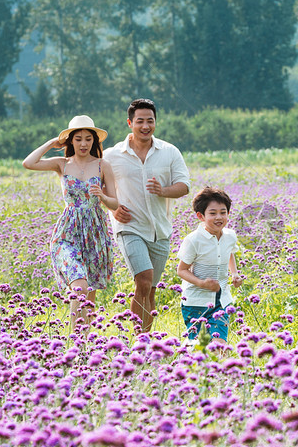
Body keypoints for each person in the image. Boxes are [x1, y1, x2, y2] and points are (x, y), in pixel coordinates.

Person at [104, 98, 191, 333]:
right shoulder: (112, 156)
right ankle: (136, 338)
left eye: (150, 121)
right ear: (129, 123)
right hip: (128, 227)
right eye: (140, 121)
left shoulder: (169, 152)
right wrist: (112, 209)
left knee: (150, 289)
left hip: (160, 229)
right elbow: (98, 188)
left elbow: (184, 186)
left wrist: (163, 190)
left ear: (155, 123)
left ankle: (145, 340)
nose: (145, 126)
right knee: (143, 279)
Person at [22, 115, 118, 327]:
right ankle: (73, 341)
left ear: (94, 141)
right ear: (70, 141)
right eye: (78, 139)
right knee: (80, 287)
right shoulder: (61, 164)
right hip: (67, 233)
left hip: (95, 233)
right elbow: (28, 163)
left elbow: (115, 204)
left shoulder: (103, 166)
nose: (83, 144)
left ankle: (84, 345)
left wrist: (101, 196)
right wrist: (51, 143)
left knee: (89, 295)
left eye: (88, 139)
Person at [176, 187, 243, 345]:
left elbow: (229, 253)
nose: (219, 217)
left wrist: (234, 274)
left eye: (223, 212)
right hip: (195, 302)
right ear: (201, 216)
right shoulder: (193, 240)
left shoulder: (230, 236)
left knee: (218, 346)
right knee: (200, 348)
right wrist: (202, 283)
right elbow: (181, 270)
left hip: (221, 301)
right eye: (212, 213)